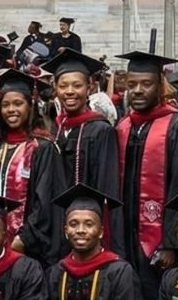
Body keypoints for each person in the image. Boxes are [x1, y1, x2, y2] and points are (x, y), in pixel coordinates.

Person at [111, 52, 178, 286]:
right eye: (131, 85)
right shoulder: (122, 127)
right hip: (125, 238)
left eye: (146, 84)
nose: (138, 90)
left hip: (161, 245)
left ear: (160, 86)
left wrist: (170, 242)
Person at [0, 68, 66, 262]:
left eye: (18, 103)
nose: (11, 110)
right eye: (6, 105)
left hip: (29, 246)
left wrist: (24, 238)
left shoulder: (42, 147)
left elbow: (46, 200)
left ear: (30, 106)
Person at [45, 48, 121, 201]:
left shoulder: (102, 130)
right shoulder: (57, 127)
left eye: (77, 85)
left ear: (89, 87)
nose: (69, 91)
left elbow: (108, 185)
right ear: (56, 89)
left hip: (88, 218)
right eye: (63, 86)